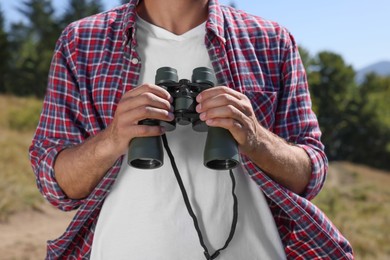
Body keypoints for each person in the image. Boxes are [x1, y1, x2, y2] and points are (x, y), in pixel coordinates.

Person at [29, 0, 353, 259]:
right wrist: (113, 138)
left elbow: (310, 177)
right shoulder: (82, 42)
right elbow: (57, 186)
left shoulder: (270, 40)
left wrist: (254, 138)